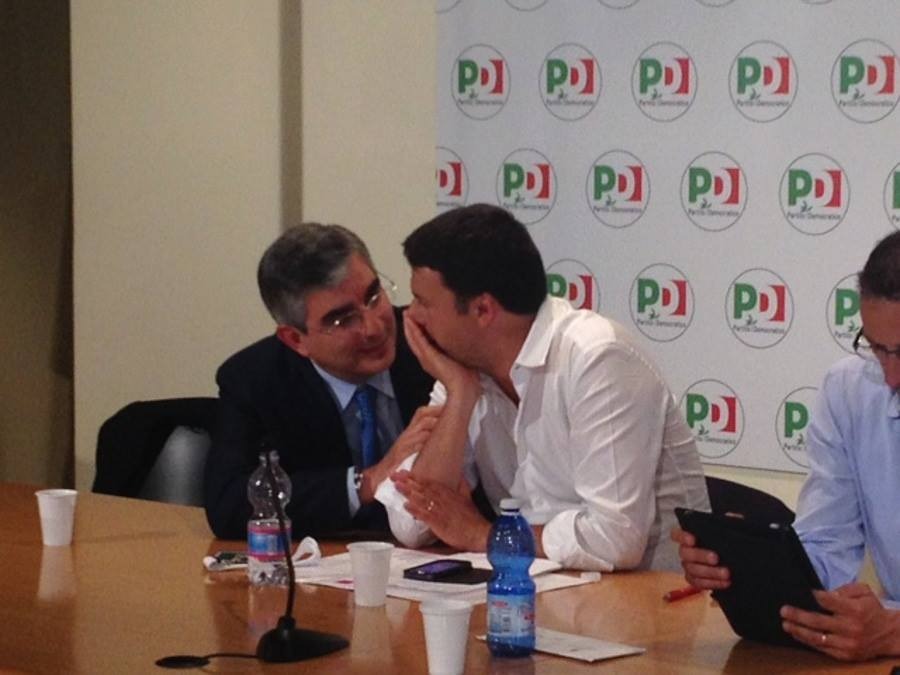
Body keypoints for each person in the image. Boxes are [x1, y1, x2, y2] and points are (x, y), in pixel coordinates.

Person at [375, 203, 709, 571]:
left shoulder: (596, 357)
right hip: (539, 589)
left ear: (483, 310)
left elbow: (616, 539)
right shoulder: (463, 375)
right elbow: (412, 524)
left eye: (423, 302)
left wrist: (486, 536)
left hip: (646, 595)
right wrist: (459, 394)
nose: (411, 316)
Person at [673, 230, 900, 661]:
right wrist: (748, 564)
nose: (891, 377)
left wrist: (894, 633)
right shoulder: (850, 390)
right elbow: (825, 549)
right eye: (877, 349)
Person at [204, 223, 436, 540]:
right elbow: (229, 505)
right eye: (343, 319)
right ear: (296, 339)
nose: (374, 328)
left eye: (373, 297)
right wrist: (367, 482)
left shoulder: (432, 339)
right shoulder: (255, 379)